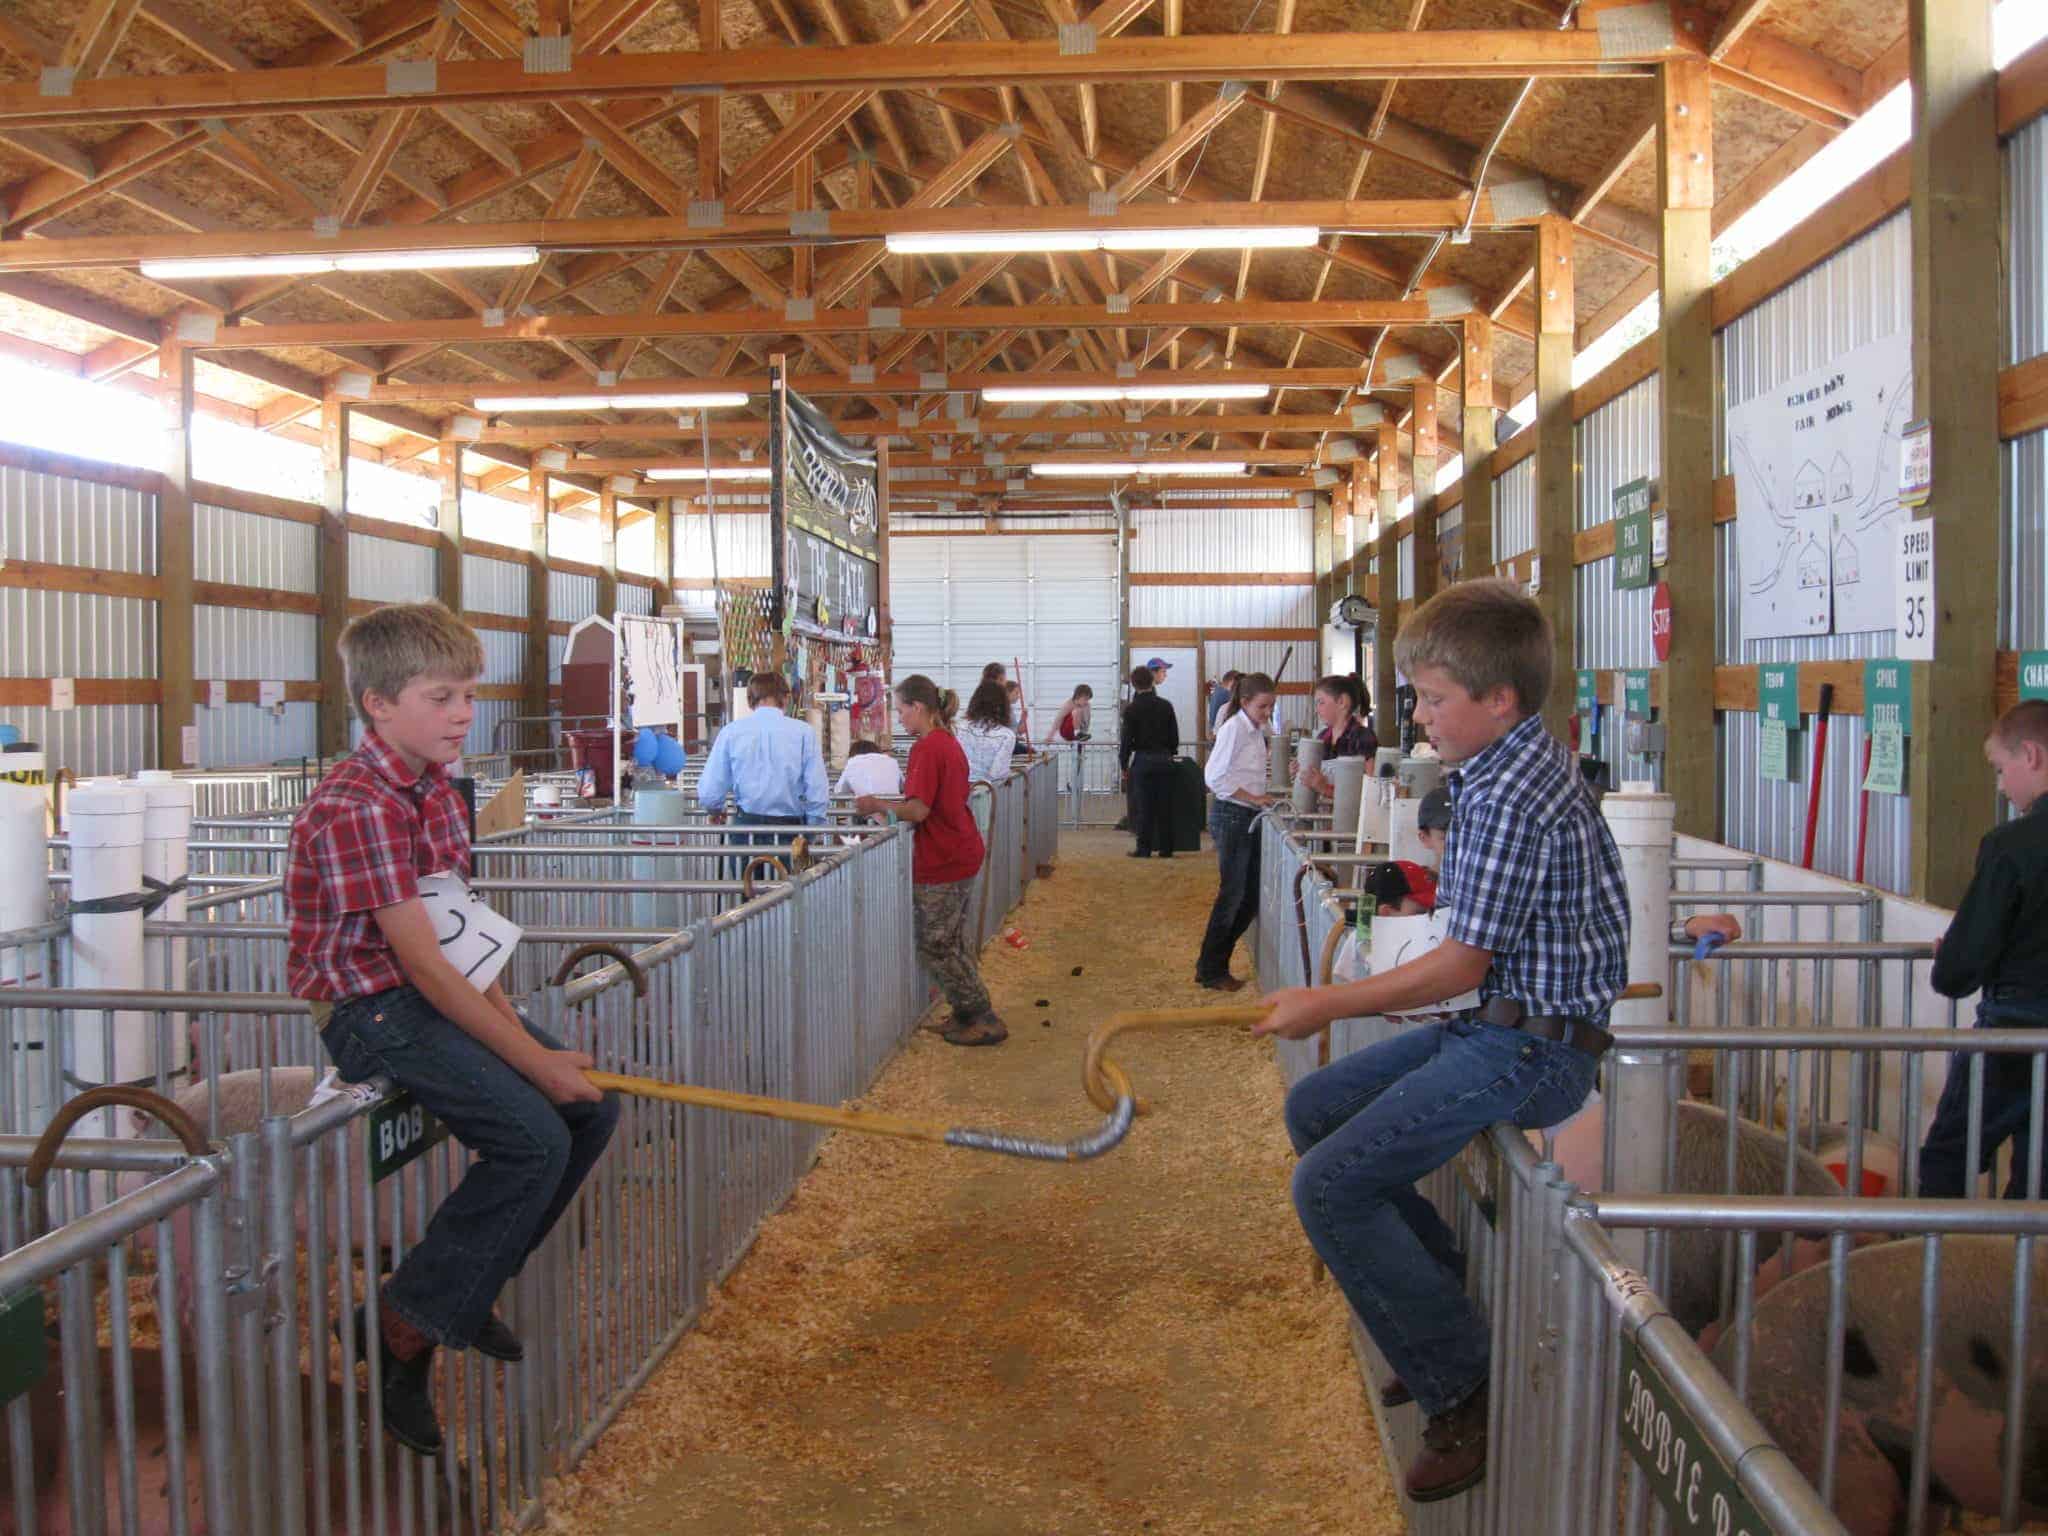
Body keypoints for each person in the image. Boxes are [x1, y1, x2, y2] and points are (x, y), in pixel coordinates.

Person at [1253, 579, 1629, 1502]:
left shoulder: (1508, 792)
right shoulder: (1507, 768)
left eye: (1432, 698)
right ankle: (1434, 1313)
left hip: (1532, 1048)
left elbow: (1462, 963)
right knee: (1315, 1104)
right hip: (1502, 1024)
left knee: (1329, 1184)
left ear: (1498, 699)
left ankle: (1463, 1387)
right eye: (1417, 694)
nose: (1419, 715)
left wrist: (1327, 1003)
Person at [285, 602, 619, 1455]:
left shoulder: (435, 787)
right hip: (369, 1009)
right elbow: (423, 965)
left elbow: (458, 931)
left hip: (425, 990)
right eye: (442, 695)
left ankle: (455, 1290)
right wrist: (535, 1067)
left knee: (593, 1112)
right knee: (535, 1139)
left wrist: (525, 1036)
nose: (464, 712)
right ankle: (405, 1328)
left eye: (468, 693)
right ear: (378, 704)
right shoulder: (359, 802)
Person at [1917, 699, 2048, 1199]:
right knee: (2039, 1179)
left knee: (1948, 1158)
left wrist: (1953, 954)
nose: (2000, 786)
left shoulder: (2011, 846)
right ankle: (2027, 1275)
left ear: (2031, 756)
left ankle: (1939, 1271)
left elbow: (1958, 971)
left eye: (2000, 769)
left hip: (2014, 1033)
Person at [855, 676, 1006, 1047]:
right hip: (959, 847)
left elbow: (919, 810)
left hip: (943, 857)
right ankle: (965, 1011)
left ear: (919, 708)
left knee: (936, 943)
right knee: (951, 939)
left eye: (902, 709)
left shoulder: (928, 748)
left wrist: (877, 805)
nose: (900, 717)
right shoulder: (946, 742)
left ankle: (981, 1013)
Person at [1196, 671, 1278, 989]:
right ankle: (1211, 968)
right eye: (1263, 706)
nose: (1267, 712)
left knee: (1248, 898)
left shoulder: (1255, 729)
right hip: (1233, 815)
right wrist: (1253, 796)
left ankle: (1214, 962)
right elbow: (1214, 777)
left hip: (1247, 817)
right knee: (1232, 896)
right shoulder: (1234, 729)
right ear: (1245, 702)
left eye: (1271, 706)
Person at [695, 670, 829, 858]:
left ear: (750, 699)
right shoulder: (804, 733)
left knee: (748, 886)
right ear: (786, 698)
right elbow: (817, 788)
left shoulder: (731, 732)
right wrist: (812, 830)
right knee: (790, 886)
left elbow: (709, 791)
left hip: (746, 829)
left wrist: (715, 810)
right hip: (790, 831)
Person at [1119, 664, 1180, 860]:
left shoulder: (1131, 710)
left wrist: (1123, 764)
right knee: (1166, 806)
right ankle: (1166, 849)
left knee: (1144, 807)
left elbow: (1127, 740)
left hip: (1143, 761)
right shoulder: (1166, 705)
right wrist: (1170, 753)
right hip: (1164, 759)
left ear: (1135, 685)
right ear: (1152, 681)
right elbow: (1174, 737)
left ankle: (1143, 849)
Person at [1296, 674, 1379, 799]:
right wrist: (1300, 771)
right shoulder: (1322, 738)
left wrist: (1326, 788)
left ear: (1342, 702)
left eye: (1321, 702)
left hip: (1350, 815)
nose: (1317, 710)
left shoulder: (1363, 738)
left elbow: (1372, 790)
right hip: (1323, 813)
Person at [956, 678, 1018, 783]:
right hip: (986, 793)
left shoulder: (957, 728)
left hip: (957, 788)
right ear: (1003, 705)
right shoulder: (1006, 736)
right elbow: (998, 773)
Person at [834, 738, 902, 800]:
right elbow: (903, 786)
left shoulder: (852, 762)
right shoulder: (892, 761)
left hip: (869, 809)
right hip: (893, 809)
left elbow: (839, 791)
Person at [1005, 679, 1032, 752]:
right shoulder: (1004, 709)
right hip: (1007, 745)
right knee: (1032, 752)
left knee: (1031, 751)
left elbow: (1020, 731)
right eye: (1016, 693)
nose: (1018, 696)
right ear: (1007, 693)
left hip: (1012, 742)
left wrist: (1023, 719)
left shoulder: (1009, 709)